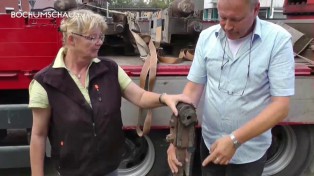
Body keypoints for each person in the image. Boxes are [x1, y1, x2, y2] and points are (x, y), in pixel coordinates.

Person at [28, 9, 191, 176]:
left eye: (101, 37)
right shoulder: (45, 82)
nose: (99, 42)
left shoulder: (110, 69)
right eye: (92, 37)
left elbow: (140, 97)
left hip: (110, 169)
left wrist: (165, 98)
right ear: (71, 39)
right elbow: (38, 135)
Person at [167, 0, 295, 175]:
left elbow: (281, 106)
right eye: (222, 17)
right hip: (210, 144)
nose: (227, 26)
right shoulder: (207, 37)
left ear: (256, 9)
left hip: (249, 151)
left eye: (235, 19)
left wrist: (235, 140)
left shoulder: (277, 41)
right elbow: (192, 91)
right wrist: (176, 139)